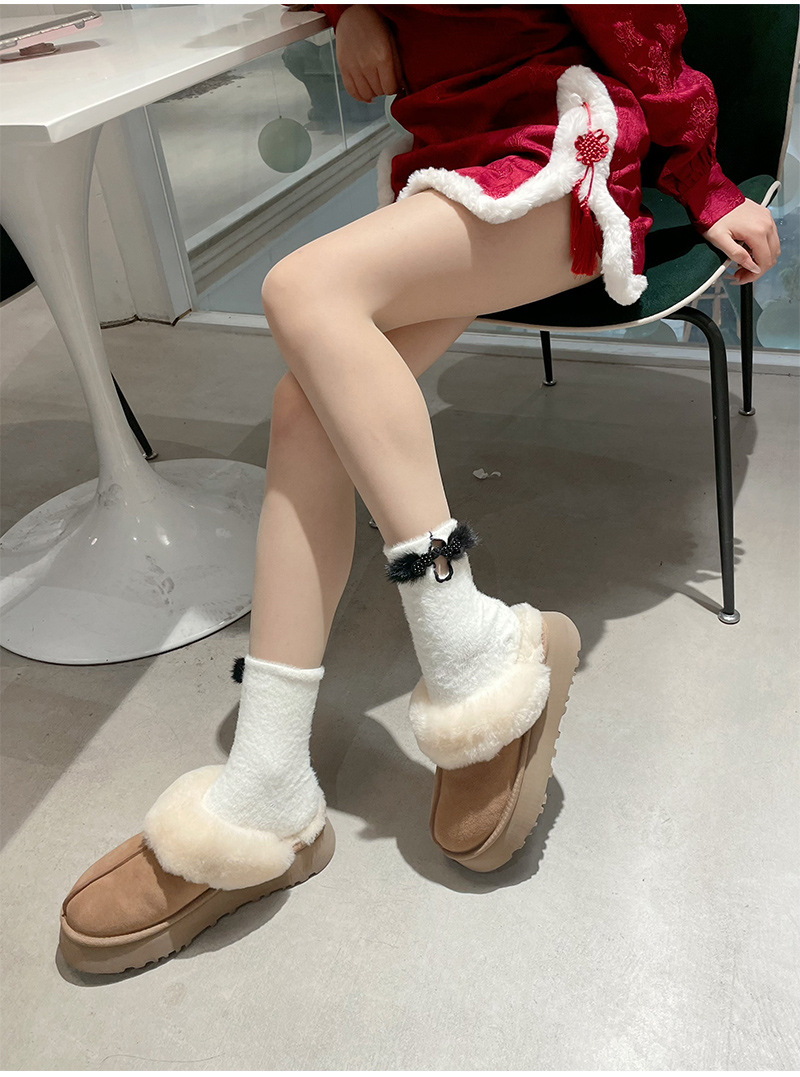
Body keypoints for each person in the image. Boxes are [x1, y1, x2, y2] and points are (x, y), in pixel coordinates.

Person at [58, 4, 780, 974]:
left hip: (562, 149)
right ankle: (268, 788)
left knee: (301, 289)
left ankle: (469, 646)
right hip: (450, 165)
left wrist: (706, 183)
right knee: (302, 410)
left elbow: (641, 25)